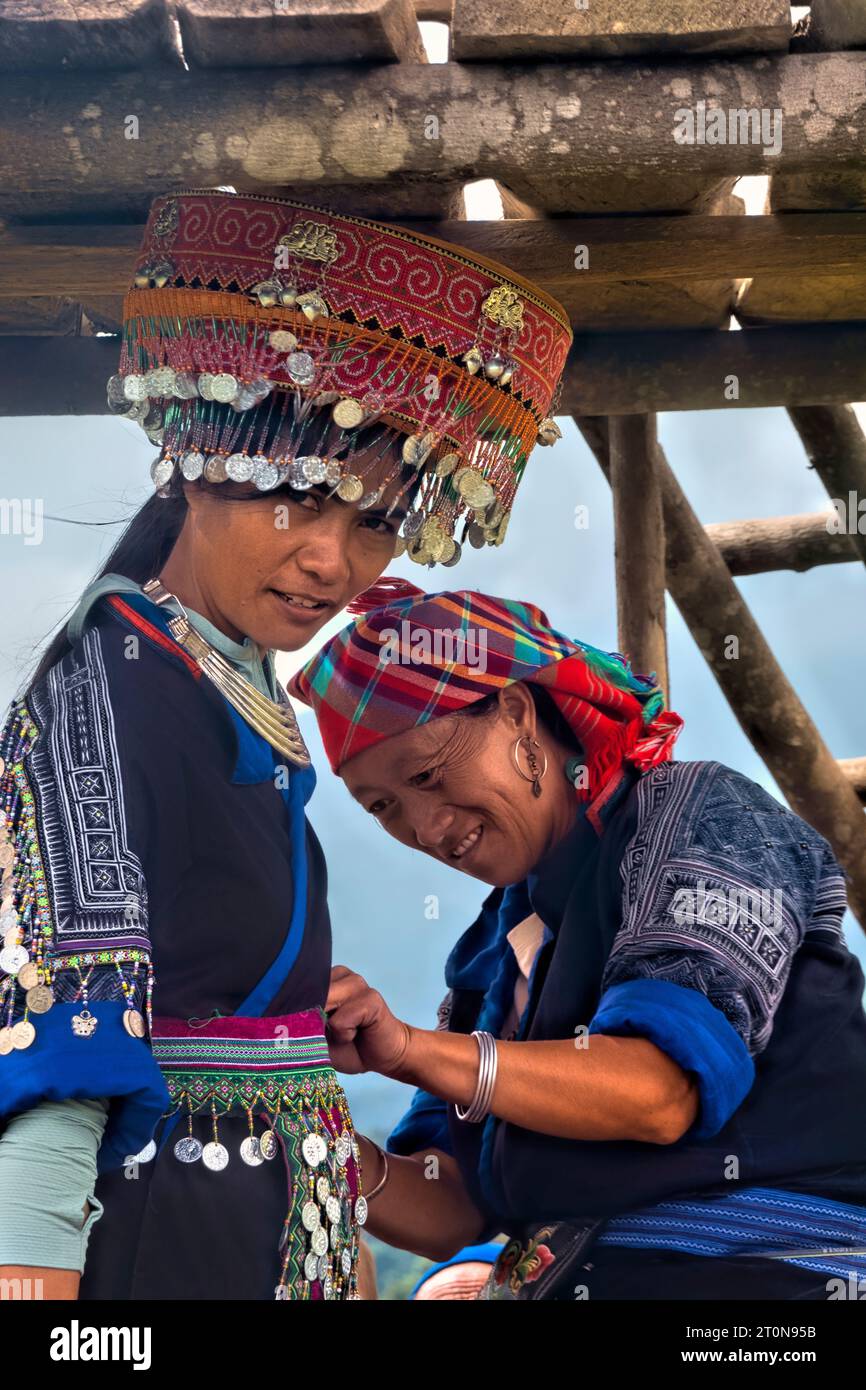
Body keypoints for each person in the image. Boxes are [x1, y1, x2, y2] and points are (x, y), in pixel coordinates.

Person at [0, 191, 572, 1300]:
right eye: (292, 498)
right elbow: (60, 1055)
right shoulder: (105, 694)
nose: (328, 559)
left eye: (371, 519)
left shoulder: (223, 678)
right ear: (197, 457)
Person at [290, 585, 866, 1300]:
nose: (428, 829)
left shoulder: (704, 819)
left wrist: (410, 1050)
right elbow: (450, 1207)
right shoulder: (495, 948)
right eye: (384, 808)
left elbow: (658, 1094)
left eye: (429, 775)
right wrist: (297, 1133)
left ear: (516, 715)